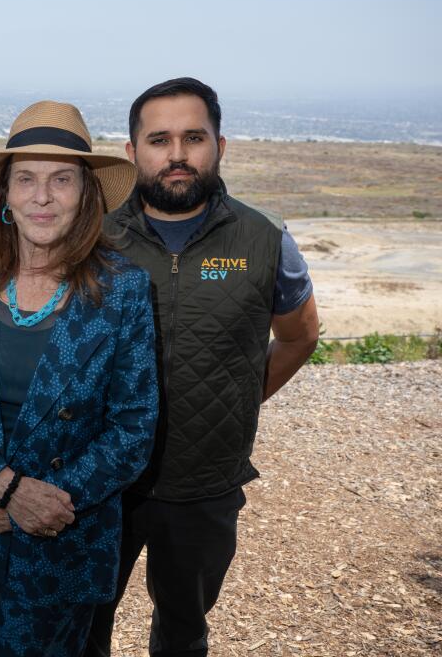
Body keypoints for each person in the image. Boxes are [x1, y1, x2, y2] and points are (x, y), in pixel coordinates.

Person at [0, 101, 160, 657]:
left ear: (87, 194)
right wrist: (5, 486)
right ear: (4, 194)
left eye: (61, 179)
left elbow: (133, 427)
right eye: (26, 179)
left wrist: (40, 505)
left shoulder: (124, 289)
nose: (41, 197)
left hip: (60, 541)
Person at [84, 78, 319, 657]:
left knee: (184, 631)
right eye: (159, 139)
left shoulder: (265, 238)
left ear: (220, 146)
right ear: (132, 151)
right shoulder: (93, 240)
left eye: (194, 137)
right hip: (100, 482)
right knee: (81, 626)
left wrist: (235, 400)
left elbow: (299, 335)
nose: (178, 154)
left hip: (204, 485)